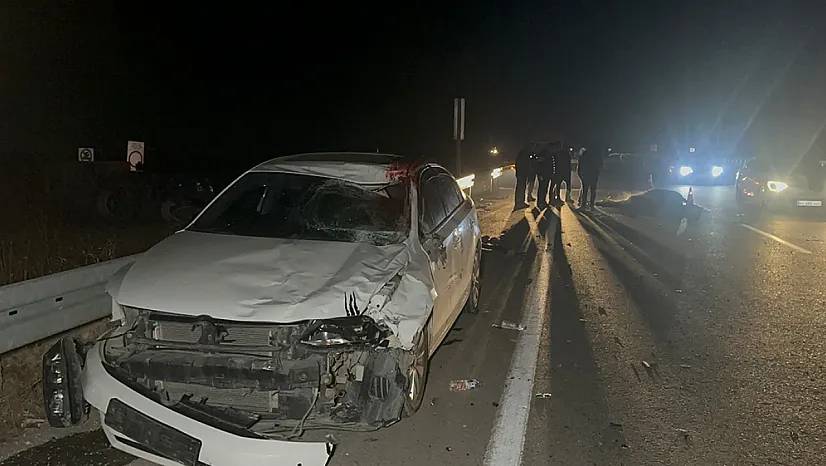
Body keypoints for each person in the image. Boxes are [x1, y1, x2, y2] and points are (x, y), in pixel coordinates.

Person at [534, 142, 557, 209]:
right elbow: (539, 165)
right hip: (543, 174)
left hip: (547, 174)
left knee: (545, 188)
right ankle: (540, 202)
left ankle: (543, 201)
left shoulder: (550, 154)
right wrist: (540, 174)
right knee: (542, 188)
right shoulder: (543, 154)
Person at [513, 144, 536, 210]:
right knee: (521, 188)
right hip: (522, 174)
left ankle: (520, 202)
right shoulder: (524, 154)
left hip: (522, 173)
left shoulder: (524, 153)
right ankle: (519, 203)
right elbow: (521, 164)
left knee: (522, 187)